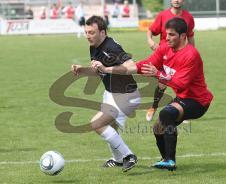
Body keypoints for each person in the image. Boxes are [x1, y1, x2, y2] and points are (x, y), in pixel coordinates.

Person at [92, 17, 213, 171]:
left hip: (198, 101)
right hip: (183, 98)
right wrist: (112, 69)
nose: (167, 38)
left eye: (172, 35)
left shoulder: (191, 55)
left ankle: (170, 161)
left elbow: (181, 83)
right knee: (158, 128)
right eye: (166, 34)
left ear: (183, 36)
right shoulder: (165, 48)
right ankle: (164, 159)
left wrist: (158, 74)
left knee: (166, 114)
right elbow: (145, 65)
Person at [71, 16, 140, 172]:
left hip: (126, 96)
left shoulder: (112, 47)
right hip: (111, 93)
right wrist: (82, 70)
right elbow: (99, 71)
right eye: (86, 32)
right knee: (110, 129)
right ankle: (118, 160)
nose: (88, 36)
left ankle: (129, 156)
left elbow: (132, 67)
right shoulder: (94, 46)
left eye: (92, 32)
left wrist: (106, 68)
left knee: (97, 124)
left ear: (102, 32)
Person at [146, 0, 195, 122]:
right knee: (162, 84)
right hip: (165, 56)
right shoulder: (163, 15)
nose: (177, 0)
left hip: (182, 57)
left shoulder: (188, 17)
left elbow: (190, 36)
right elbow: (150, 31)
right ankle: (154, 107)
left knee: (182, 83)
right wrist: (151, 41)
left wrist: (192, 54)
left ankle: (182, 111)